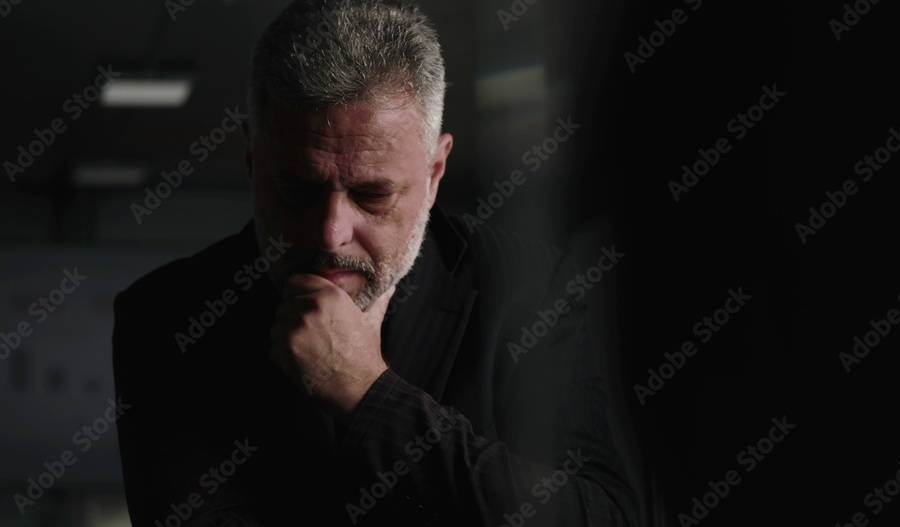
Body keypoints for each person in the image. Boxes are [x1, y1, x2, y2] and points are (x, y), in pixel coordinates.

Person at [112, 1, 638, 525]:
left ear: (433, 174)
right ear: (252, 157)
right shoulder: (164, 316)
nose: (331, 232)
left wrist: (369, 394)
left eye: (372, 195)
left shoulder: (526, 287)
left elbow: (598, 517)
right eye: (298, 189)